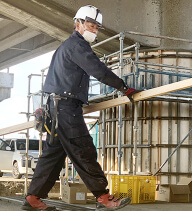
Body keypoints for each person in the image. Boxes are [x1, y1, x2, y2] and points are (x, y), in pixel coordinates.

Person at [21, 5, 137, 211]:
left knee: (53, 155)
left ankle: (33, 197)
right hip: (65, 109)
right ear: (78, 24)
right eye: (91, 25)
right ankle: (103, 197)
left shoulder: (66, 47)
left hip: (56, 108)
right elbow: (98, 70)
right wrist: (124, 87)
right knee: (84, 150)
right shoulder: (78, 46)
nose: (94, 30)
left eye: (96, 27)